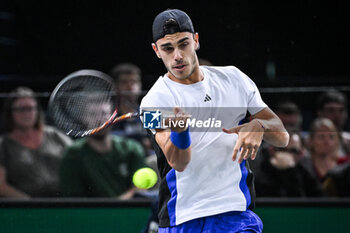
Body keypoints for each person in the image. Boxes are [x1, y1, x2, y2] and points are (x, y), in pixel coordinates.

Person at [140, 9, 289, 233]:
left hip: (235, 215)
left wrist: (259, 125)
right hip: (184, 218)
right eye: (167, 48)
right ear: (156, 51)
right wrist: (180, 131)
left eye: (184, 44)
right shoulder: (152, 102)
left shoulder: (235, 79)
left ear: (196, 41)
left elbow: (282, 137)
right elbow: (178, 162)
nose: (177, 55)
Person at [59, 99, 147, 199]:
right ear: (82, 118)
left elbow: (140, 188)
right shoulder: (72, 155)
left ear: (112, 117)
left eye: (104, 113)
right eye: (92, 114)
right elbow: (73, 199)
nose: (99, 119)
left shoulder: (132, 149)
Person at [0, 87, 72, 198]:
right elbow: (2, 186)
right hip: (26, 209)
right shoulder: (3, 144)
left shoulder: (55, 135)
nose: (26, 113)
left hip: (65, 202)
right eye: (21, 109)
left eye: (30, 108)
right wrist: (31, 204)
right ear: (10, 112)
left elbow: (78, 161)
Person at [254, 132, 324, 197]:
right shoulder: (260, 175)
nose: (287, 155)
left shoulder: (306, 175)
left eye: (294, 151)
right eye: (282, 149)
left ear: (301, 154)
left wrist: (292, 170)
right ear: (272, 151)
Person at [109, 63, 153, 156]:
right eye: (124, 82)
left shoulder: (149, 113)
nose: (130, 87)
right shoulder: (107, 115)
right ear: (115, 86)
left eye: (134, 82)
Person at [317, 90, 350, 158]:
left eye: (341, 110)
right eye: (331, 110)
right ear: (320, 113)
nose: (336, 115)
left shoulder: (348, 140)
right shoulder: (310, 142)